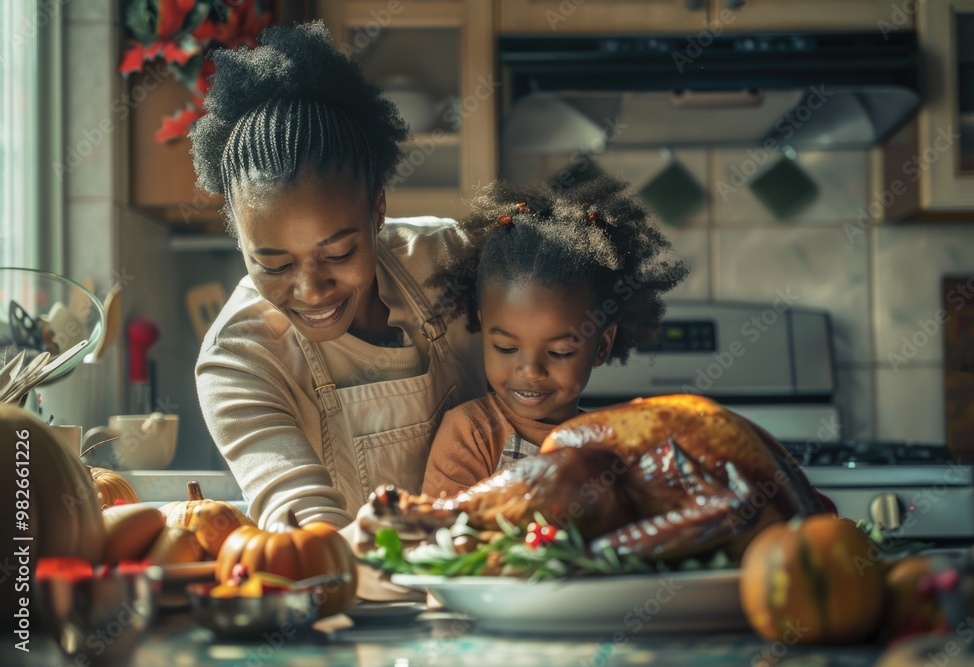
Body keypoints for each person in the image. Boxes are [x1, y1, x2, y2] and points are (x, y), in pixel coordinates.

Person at [189, 21, 486, 535]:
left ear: (378, 212)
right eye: (274, 265)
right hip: (352, 599)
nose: (310, 290)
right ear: (241, 244)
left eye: (339, 252)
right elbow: (301, 523)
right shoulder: (239, 361)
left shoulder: (453, 259)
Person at [420, 176, 689, 497]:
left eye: (559, 352)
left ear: (601, 345)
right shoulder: (471, 433)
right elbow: (442, 533)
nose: (530, 371)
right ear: (483, 332)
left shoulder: (610, 445)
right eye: (506, 347)